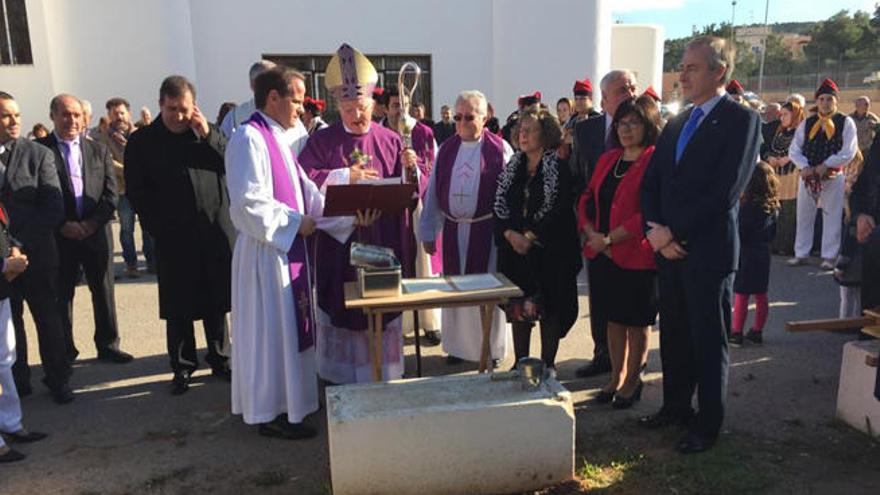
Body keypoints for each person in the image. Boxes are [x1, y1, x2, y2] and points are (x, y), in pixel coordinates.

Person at [225, 66, 374, 439]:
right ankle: (271, 411)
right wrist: (296, 223)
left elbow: (308, 192)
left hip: (287, 251)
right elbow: (247, 203)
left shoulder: (280, 138)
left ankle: (294, 402)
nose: (303, 108)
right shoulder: (249, 138)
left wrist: (348, 213)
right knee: (270, 335)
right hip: (265, 255)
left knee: (290, 332)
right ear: (273, 98)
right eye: (297, 100)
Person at [640, 36, 761, 453]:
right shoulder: (677, 122)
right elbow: (652, 183)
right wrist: (655, 233)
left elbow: (725, 191)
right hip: (668, 250)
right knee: (674, 335)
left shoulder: (741, 121)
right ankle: (675, 408)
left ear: (719, 71)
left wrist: (674, 233)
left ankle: (707, 425)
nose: (683, 75)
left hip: (707, 253)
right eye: (682, 67)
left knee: (708, 342)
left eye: (692, 67)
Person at [298, 44, 416, 384]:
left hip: (382, 238)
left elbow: (408, 194)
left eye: (362, 108)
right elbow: (305, 183)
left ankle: (383, 374)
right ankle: (341, 377)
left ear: (373, 105)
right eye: (349, 109)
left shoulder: (391, 139)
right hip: (339, 246)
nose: (357, 116)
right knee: (344, 304)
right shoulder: (322, 142)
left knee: (380, 307)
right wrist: (344, 176)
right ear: (338, 106)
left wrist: (411, 170)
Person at [125, 76, 235, 395]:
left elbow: (233, 162)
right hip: (173, 236)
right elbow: (137, 191)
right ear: (161, 105)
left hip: (212, 232)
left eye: (184, 109)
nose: (178, 116)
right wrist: (157, 228)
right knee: (179, 306)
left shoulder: (207, 133)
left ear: (194, 106)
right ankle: (183, 366)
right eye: (172, 109)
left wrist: (207, 134)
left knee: (216, 301)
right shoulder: (143, 141)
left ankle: (220, 358)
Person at [36, 95, 132, 364]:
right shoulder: (40, 151)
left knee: (103, 291)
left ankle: (108, 344)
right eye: (65, 114)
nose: (72, 120)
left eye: (77, 115)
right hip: (59, 236)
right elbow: (37, 196)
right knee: (62, 294)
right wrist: (62, 224)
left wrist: (91, 224)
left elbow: (110, 194)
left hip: (95, 232)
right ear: (53, 116)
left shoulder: (98, 150)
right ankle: (64, 350)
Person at [420, 90, 514, 366]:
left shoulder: (500, 149)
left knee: (486, 289)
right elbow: (433, 193)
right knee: (456, 289)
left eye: (469, 117)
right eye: (458, 117)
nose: (462, 123)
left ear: (484, 118)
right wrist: (429, 231)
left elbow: (510, 194)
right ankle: (458, 348)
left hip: (486, 231)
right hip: (452, 231)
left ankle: (491, 349)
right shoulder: (446, 149)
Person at [578, 96, 661, 409]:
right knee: (613, 320)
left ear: (648, 125)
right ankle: (615, 377)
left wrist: (609, 239)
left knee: (636, 323)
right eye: (621, 123)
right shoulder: (608, 158)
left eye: (633, 123)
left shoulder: (654, 160)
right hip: (602, 253)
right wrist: (591, 234)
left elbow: (648, 211)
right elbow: (586, 198)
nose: (625, 129)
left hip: (636, 255)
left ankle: (632, 382)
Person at [494, 106, 581, 371]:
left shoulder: (558, 167)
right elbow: (499, 206)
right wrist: (510, 234)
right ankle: (521, 363)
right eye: (521, 130)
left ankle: (547, 365)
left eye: (530, 130)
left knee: (549, 309)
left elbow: (559, 208)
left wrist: (530, 236)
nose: (523, 135)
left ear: (545, 134)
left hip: (549, 252)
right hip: (515, 251)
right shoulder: (513, 166)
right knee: (519, 308)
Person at [0, 92, 73, 404]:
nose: (14, 121)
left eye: (17, 115)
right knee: (10, 323)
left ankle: (58, 379)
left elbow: (53, 207)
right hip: (3, 262)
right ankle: (18, 381)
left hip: (38, 255)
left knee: (48, 319)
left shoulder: (37, 154)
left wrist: (18, 245)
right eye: (6, 115)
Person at [570, 69, 638, 379]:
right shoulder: (586, 131)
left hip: (632, 232)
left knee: (631, 301)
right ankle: (603, 354)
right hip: (594, 232)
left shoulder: (647, 128)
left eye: (633, 88)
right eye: (623, 90)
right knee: (599, 296)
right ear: (604, 99)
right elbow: (577, 180)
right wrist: (587, 228)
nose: (630, 94)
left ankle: (632, 366)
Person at [384, 86, 442, 345]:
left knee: (423, 267)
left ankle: (430, 321)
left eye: (405, 104)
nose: (401, 110)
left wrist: (414, 167)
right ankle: (399, 322)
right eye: (395, 105)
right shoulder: (378, 133)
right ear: (385, 108)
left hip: (417, 207)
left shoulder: (423, 133)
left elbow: (432, 170)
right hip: (389, 210)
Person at [788, 78, 858, 271]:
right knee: (804, 214)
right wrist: (804, 166)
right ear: (817, 101)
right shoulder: (808, 122)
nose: (825, 103)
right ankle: (801, 253)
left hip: (832, 176)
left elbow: (849, 151)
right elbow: (794, 149)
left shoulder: (845, 122)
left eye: (829, 99)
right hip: (808, 176)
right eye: (822, 99)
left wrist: (827, 165)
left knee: (831, 215)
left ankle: (829, 255)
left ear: (836, 101)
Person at [0, 200, 48, 462]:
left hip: (2, 289)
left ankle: (9, 422)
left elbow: (4, 229)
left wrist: (14, 251)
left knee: (5, 359)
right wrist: (5, 266)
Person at [93, 97, 155, 277]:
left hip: (142, 189)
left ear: (129, 114)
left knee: (148, 227)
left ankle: (152, 262)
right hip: (122, 191)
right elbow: (109, 162)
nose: (119, 116)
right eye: (115, 113)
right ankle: (131, 264)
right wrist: (132, 169)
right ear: (109, 115)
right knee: (127, 229)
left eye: (122, 113)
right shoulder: (104, 138)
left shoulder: (139, 134)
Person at [730, 162, 779, 347]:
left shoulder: (747, 208)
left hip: (747, 253)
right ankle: (757, 330)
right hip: (763, 253)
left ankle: (736, 332)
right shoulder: (773, 207)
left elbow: (741, 232)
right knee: (761, 294)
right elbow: (773, 232)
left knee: (741, 294)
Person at [762, 101, 804, 255]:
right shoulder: (780, 132)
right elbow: (769, 148)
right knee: (777, 210)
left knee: (789, 211)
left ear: (795, 115)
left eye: (786, 114)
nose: (782, 118)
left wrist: (788, 158)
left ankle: (787, 246)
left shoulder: (801, 132)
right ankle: (776, 243)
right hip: (777, 174)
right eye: (781, 115)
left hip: (792, 175)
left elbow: (802, 150)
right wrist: (771, 157)